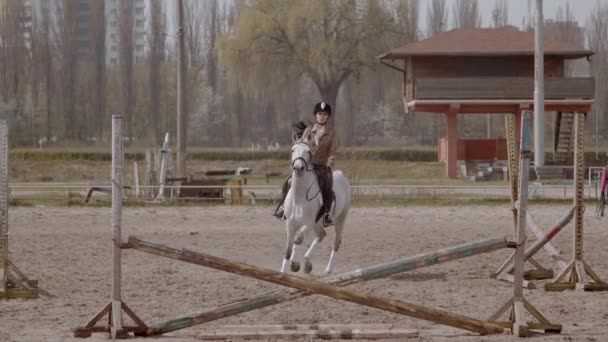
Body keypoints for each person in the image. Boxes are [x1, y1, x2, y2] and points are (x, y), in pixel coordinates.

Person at [274, 102, 336, 226]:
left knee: (328, 185)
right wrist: (299, 159)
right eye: (319, 114)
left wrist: (329, 165)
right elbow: (302, 145)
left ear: (328, 116)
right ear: (315, 115)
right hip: (307, 166)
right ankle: (284, 209)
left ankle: (327, 214)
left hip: (322, 167)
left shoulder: (331, 133)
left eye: (324, 114)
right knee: (289, 181)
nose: (322, 116)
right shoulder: (308, 131)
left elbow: (332, 152)